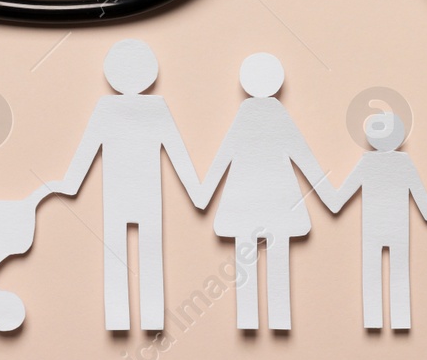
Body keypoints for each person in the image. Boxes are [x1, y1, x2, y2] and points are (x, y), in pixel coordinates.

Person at [51, 39, 205, 330]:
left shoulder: (107, 108)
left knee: (117, 255)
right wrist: (197, 191)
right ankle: (149, 318)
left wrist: (68, 184)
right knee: (149, 255)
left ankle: (122, 318)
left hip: (119, 196)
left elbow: (85, 153)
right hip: (145, 196)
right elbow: (177, 152)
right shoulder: (154, 108)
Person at [197, 52, 334, 330]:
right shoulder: (273, 115)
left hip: (245, 201)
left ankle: (252, 317)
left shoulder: (250, 115)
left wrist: (203, 192)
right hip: (277, 202)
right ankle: (277, 316)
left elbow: (226, 154)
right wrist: (330, 195)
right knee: (277, 256)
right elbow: (302, 156)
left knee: (247, 259)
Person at [327, 111, 427, 329]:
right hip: (397, 229)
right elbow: (420, 194)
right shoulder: (402, 162)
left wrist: (328, 195)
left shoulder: (368, 163)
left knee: (372, 273)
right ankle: (400, 319)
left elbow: (341, 197)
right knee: (399, 273)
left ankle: (374, 319)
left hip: (373, 229)